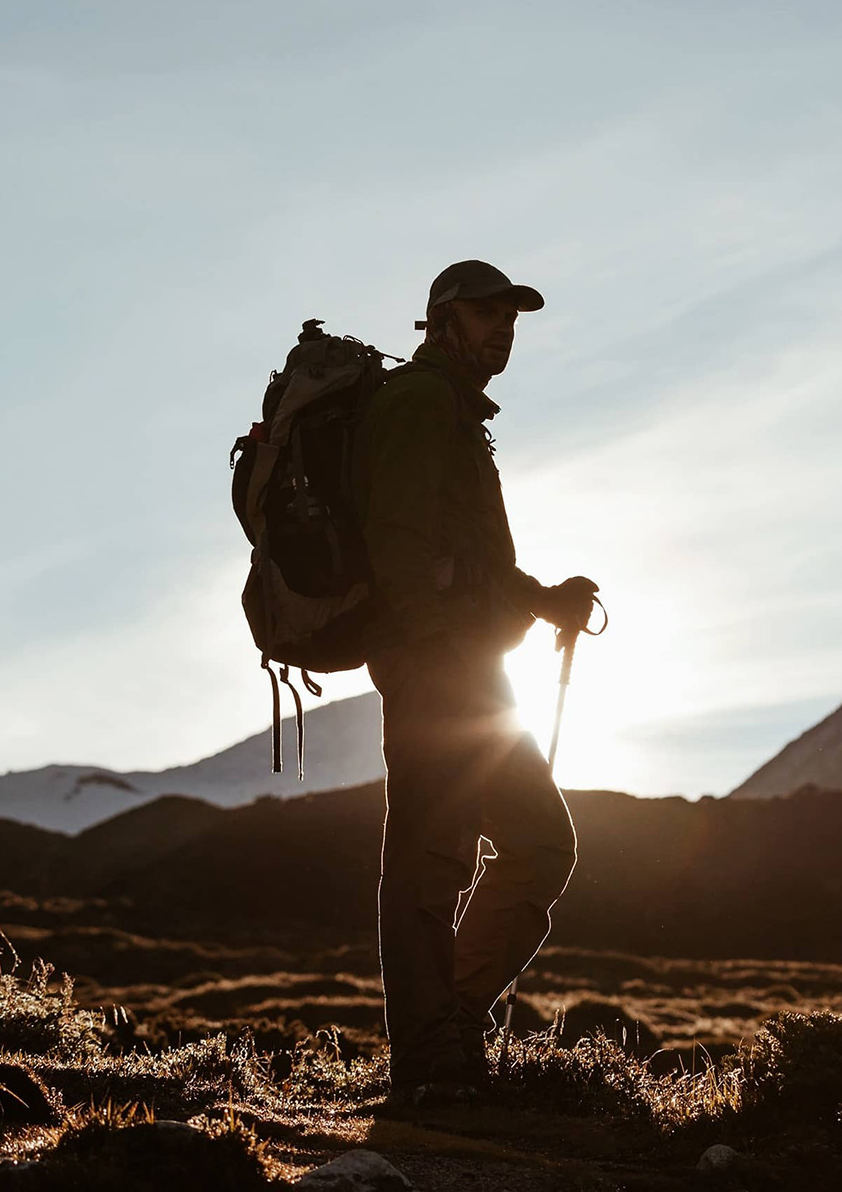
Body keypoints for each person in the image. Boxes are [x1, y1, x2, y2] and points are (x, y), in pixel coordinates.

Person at [351, 258, 598, 1103]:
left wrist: (542, 598)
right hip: (440, 669)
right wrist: (436, 653)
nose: (502, 330)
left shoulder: (455, 412)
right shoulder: (420, 402)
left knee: (532, 844)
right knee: (432, 858)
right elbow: (397, 537)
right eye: (486, 315)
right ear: (441, 319)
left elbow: (475, 565)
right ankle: (430, 1056)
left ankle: (446, 1030)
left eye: (511, 319)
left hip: (468, 668)